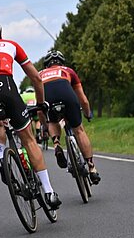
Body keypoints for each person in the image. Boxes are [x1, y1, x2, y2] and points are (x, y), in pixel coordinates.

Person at [0, 18, 60, 209]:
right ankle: (49, 192)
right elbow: (35, 77)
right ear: (0, 33)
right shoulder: (11, 45)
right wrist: (41, 103)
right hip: (5, 87)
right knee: (27, 139)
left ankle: (2, 157)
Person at [40, 49, 100, 184]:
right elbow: (83, 100)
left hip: (48, 96)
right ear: (61, 62)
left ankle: (56, 145)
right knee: (79, 130)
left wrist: (45, 125)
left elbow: (40, 107)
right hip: (67, 94)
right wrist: (87, 113)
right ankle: (92, 168)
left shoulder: (40, 74)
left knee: (53, 121)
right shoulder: (69, 71)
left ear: (46, 65)